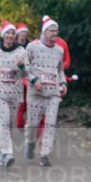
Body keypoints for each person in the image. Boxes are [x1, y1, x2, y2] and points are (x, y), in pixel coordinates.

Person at [24, 15, 67, 166]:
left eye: (56, 31)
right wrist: (33, 80)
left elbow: (60, 70)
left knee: (50, 123)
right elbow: (24, 67)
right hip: (36, 92)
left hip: (53, 93)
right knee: (33, 123)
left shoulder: (59, 50)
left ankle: (44, 155)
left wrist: (63, 83)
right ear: (44, 31)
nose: (55, 33)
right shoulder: (32, 47)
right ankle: (30, 142)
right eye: (51, 30)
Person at [0, 21, 27, 167]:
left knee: (10, 124)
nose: (10, 35)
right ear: (3, 35)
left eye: (12, 33)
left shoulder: (21, 51)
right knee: (2, 121)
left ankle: (1, 152)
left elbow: (26, 72)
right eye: (8, 33)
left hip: (15, 92)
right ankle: (7, 153)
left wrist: (21, 66)